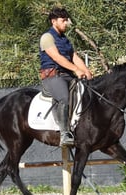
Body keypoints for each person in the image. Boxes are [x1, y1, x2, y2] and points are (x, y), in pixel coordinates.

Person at [39, 6, 92, 147]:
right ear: (53, 21)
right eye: (63, 20)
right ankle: (64, 133)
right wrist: (76, 70)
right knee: (64, 97)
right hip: (53, 76)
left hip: (67, 76)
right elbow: (56, 57)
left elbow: (74, 57)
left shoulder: (66, 40)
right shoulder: (47, 37)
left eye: (66, 20)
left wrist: (86, 71)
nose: (66, 23)